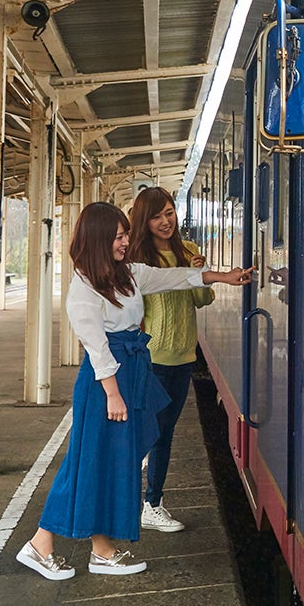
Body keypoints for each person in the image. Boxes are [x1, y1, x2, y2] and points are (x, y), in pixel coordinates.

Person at [16, 202, 250, 580]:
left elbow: (176, 278)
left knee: (105, 459)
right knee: (94, 461)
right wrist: (113, 394)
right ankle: (83, 548)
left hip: (132, 371)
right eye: (120, 236)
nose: (127, 241)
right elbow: (97, 349)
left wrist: (222, 277)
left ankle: (69, 546)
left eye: (125, 235)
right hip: (106, 383)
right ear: (99, 240)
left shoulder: (125, 274)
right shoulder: (82, 290)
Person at [126, 186, 213, 533]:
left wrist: (199, 273)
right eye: (157, 216)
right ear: (143, 222)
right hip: (153, 357)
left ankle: (152, 504)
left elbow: (202, 300)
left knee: (166, 433)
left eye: (169, 213)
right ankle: (139, 502)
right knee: (150, 433)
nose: (166, 221)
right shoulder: (139, 259)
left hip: (183, 356)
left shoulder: (188, 250)